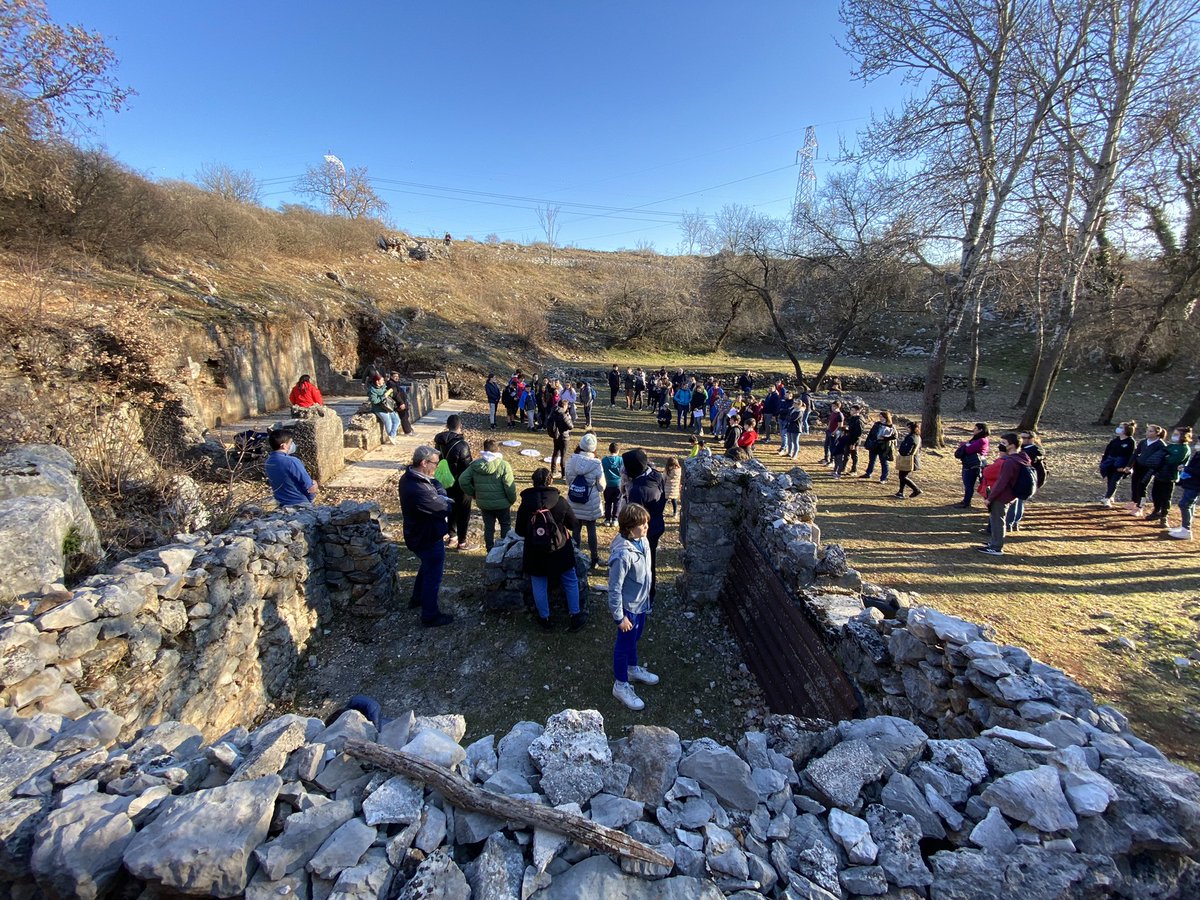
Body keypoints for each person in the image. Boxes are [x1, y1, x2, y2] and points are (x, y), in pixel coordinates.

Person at [514, 468, 585, 632]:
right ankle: (575, 615)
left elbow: (519, 531)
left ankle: (544, 618)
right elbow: (573, 524)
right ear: (550, 481)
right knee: (570, 580)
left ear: (533, 481)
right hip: (560, 550)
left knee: (539, 583)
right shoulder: (560, 501)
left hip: (535, 552)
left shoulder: (526, 503)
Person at [399, 445, 455, 627]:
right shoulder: (418, 489)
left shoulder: (409, 477)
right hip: (427, 537)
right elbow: (444, 508)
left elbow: (436, 485)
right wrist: (442, 494)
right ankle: (430, 615)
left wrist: (438, 490)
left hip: (418, 533)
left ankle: (417, 598)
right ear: (424, 463)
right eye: (435, 463)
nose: (437, 467)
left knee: (427, 566)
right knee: (433, 576)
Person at [608, 503, 657, 711]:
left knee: (634, 639)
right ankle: (620, 685)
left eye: (646, 523)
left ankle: (632, 668)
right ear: (629, 527)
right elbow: (614, 589)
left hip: (641, 604)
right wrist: (620, 617)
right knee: (624, 645)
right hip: (629, 609)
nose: (646, 527)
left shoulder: (643, 540)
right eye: (642, 524)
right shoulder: (622, 555)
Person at [622, 449, 667, 604]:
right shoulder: (656, 475)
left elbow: (633, 517)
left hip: (644, 532)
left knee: (645, 564)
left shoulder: (637, 490)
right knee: (650, 560)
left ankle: (647, 595)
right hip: (657, 523)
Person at [458, 438, 517, 551]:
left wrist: (474, 493)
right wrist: (511, 499)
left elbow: (462, 480)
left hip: (484, 503)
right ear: (497, 449)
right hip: (502, 503)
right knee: (505, 525)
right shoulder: (504, 465)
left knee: (489, 527)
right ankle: (504, 549)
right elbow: (509, 486)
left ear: (484, 449)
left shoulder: (475, 465)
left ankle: (490, 549)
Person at [978, 433, 1031, 556]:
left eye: (1004, 443)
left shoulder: (1010, 462)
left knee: (997, 521)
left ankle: (996, 547)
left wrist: (990, 498)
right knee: (998, 519)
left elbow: (1002, 482)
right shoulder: (1022, 458)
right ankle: (994, 542)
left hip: (1001, 496)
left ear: (1012, 445)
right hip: (1011, 495)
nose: (1001, 445)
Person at [434, 415, 475, 551]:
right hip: (460, 483)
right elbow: (467, 468)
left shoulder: (439, 442)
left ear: (447, 426)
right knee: (463, 512)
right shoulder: (462, 445)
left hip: (445, 481)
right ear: (460, 426)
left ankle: (452, 536)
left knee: (450, 508)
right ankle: (462, 542)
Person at [565, 433, 605, 569]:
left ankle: (576, 556)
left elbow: (568, 481)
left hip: (574, 499)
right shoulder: (596, 464)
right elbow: (601, 486)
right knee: (591, 529)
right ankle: (594, 558)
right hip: (590, 501)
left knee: (576, 529)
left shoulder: (571, 460)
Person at [1148, 426, 1192, 526]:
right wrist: (1164, 457)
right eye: (1174, 434)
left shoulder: (1184, 448)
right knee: (1156, 493)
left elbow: (1173, 460)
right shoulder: (1171, 446)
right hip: (1160, 473)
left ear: (1184, 436)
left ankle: (1164, 516)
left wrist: (1165, 457)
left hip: (1170, 476)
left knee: (1166, 496)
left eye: (1177, 434)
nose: (1174, 436)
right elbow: (1161, 454)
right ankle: (1156, 510)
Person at [264, 429, 317, 506]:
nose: (293, 445)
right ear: (283, 446)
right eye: (291, 442)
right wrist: (311, 497)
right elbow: (309, 486)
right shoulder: (292, 461)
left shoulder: (268, 461)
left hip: (281, 503)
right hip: (299, 502)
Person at [1008, 431, 1045, 532]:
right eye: (1021, 437)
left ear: (1031, 439)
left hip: (1024, 479)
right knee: (1019, 502)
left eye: (1024, 438)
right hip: (1026, 479)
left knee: (1016, 501)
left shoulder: (1031, 452)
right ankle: (1014, 523)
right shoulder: (1032, 450)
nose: (1022, 440)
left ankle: (1010, 523)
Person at [1129, 425, 1168, 517]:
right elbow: (1135, 454)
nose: (1147, 433)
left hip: (1149, 469)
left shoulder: (1160, 445)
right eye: (1147, 430)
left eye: (1150, 431)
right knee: (1134, 484)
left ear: (1157, 433)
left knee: (1142, 486)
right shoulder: (1143, 442)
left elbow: (1161, 459)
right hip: (1138, 466)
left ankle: (1140, 507)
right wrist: (1129, 465)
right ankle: (1134, 501)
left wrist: (1155, 469)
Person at [1099, 421, 1137, 506]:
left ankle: (1107, 498)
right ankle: (1111, 496)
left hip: (1121, 465)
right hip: (1110, 464)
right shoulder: (1115, 440)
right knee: (1110, 480)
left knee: (1114, 481)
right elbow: (1107, 452)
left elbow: (1131, 456)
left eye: (1121, 427)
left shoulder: (1131, 442)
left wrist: (1126, 467)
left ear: (1126, 430)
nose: (1118, 429)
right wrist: (1103, 462)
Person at [1169, 435, 1200, 540]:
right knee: (1190, 504)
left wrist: (1186, 469)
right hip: (1191, 483)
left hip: (1196, 484)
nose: (1197, 444)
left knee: (1184, 504)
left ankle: (1186, 530)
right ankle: (1185, 527)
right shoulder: (1198, 454)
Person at [954, 423, 990, 508]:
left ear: (981, 430)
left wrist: (964, 445)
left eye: (975, 428)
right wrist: (966, 445)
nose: (973, 430)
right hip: (971, 463)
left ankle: (967, 502)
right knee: (969, 484)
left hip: (973, 464)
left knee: (970, 484)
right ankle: (966, 501)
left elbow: (968, 450)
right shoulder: (977, 439)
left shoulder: (982, 440)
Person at [861, 411, 896, 482]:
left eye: (882, 417)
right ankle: (868, 473)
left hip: (883, 446)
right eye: (880, 417)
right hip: (874, 445)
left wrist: (884, 438)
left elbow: (894, 436)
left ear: (886, 417)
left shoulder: (891, 426)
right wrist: (867, 443)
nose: (880, 418)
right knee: (872, 460)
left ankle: (884, 478)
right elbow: (871, 434)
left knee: (884, 462)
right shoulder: (877, 424)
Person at [367, 371, 400, 444]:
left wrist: (390, 392)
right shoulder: (372, 390)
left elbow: (389, 395)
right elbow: (374, 401)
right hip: (379, 409)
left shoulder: (383, 386)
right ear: (377, 382)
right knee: (389, 422)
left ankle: (392, 436)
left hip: (388, 407)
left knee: (397, 420)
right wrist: (384, 396)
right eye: (382, 380)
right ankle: (392, 437)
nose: (383, 381)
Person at [894, 422, 923, 499]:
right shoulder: (917, 437)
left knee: (903, 476)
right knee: (902, 476)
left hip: (908, 459)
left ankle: (916, 489)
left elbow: (907, 450)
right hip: (913, 459)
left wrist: (901, 452)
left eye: (908, 427)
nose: (907, 428)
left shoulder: (911, 437)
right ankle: (900, 492)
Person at [546, 399, 573, 480]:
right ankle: (564, 474)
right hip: (564, 437)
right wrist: (568, 417)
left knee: (555, 453)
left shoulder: (554, 412)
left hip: (556, 436)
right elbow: (571, 426)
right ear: (564, 406)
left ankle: (553, 471)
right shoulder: (563, 415)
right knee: (563, 455)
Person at [602, 441, 623, 527]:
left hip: (607, 484)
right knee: (617, 502)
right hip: (618, 484)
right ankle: (615, 519)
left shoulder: (604, 460)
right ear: (618, 451)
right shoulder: (620, 460)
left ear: (609, 450)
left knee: (608, 502)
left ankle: (607, 519)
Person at [842, 404, 865, 475]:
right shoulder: (852, 418)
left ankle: (854, 470)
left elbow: (858, 433)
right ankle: (843, 467)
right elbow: (851, 428)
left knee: (854, 455)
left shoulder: (859, 420)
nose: (850, 411)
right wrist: (846, 430)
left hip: (854, 440)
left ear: (857, 411)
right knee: (846, 454)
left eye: (852, 410)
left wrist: (853, 443)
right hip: (849, 438)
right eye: (851, 410)